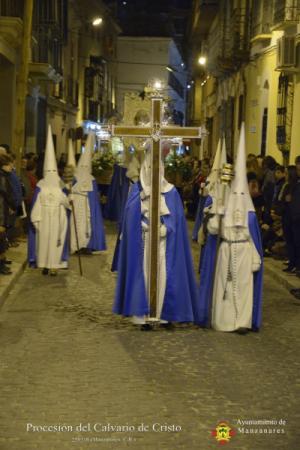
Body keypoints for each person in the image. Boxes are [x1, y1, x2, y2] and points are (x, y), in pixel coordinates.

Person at [113, 151, 200, 330]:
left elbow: (175, 219)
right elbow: (129, 217)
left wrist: (166, 228)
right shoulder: (136, 191)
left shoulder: (171, 192)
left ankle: (165, 315)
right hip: (143, 243)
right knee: (143, 276)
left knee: (164, 275)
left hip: (164, 244)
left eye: (156, 168)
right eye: (149, 168)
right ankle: (144, 317)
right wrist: (142, 225)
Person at [198, 124, 263, 333]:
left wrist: (255, 257)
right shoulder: (223, 208)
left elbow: (253, 238)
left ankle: (242, 322)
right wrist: (217, 212)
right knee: (223, 286)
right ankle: (224, 320)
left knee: (244, 287)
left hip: (244, 251)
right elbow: (214, 230)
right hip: (226, 250)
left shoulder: (250, 215)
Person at [28, 125, 70, 276]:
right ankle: (45, 264)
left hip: (57, 217)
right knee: (45, 241)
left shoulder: (60, 185)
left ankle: (54, 265)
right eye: (50, 171)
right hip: (45, 217)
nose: (52, 174)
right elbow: (36, 203)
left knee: (54, 241)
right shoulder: (41, 186)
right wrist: (36, 217)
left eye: (54, 171)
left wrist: (68, 202)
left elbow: (65, 201)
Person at [70, 133, 106, 254]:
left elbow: (94, 198)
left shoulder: (91, 179)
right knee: (78, 226)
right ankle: (78, 246)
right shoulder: (78, 178)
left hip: (87, 208)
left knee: (86, 226)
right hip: (78, 206)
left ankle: (86, 246)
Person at [0, 154, 17, 275]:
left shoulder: (4, 176)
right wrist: (12, 204)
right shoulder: (2, 177)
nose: (11, 166)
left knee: (2, 239)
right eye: (9, 164)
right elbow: (6, 193)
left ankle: (2, 264)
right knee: (1, 240)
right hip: (0, 213)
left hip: (2, 210)